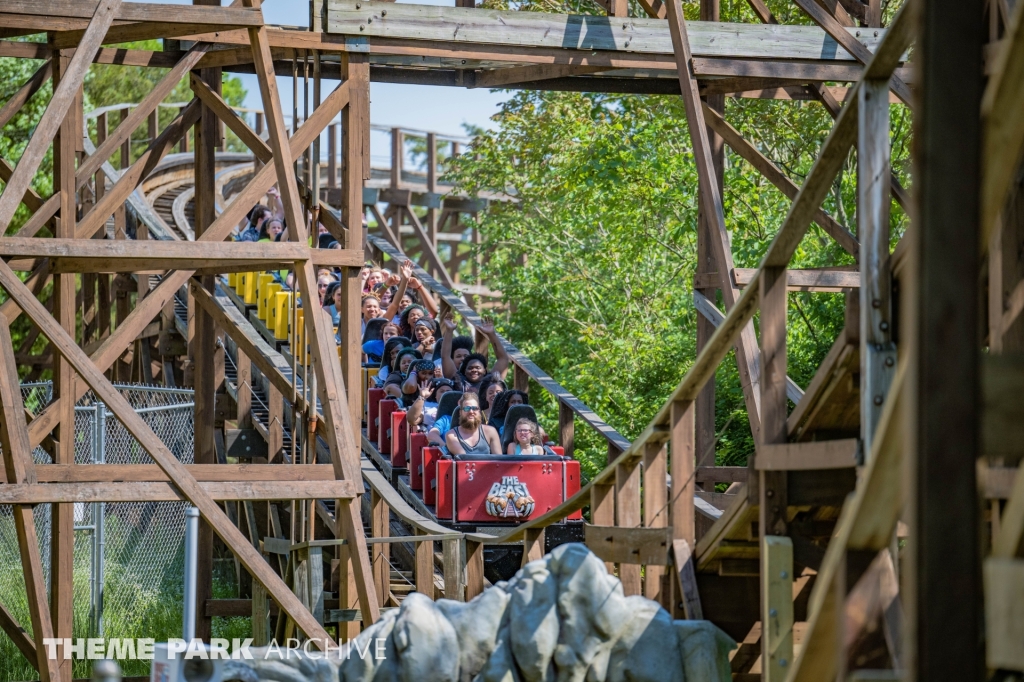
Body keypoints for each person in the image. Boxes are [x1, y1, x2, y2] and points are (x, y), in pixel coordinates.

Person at [440, 315, 509, 390]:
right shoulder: (458, 380)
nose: (474, 370)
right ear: (465, 371)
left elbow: (503, 359)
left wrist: (491, 334)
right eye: (470, 368)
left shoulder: (490, 381)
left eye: (478, 368)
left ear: (484, 371)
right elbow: (445, 356)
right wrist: (449, 330)